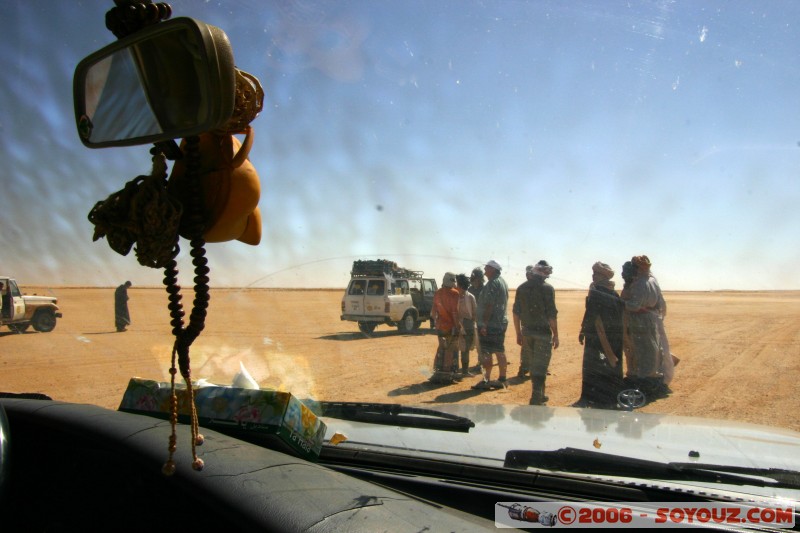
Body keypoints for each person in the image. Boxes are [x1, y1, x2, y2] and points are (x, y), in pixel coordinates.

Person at [574, 262, 624, 409]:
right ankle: (608, 398)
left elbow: (592, 315)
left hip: (599, 338)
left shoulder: (597, 292)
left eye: (596, 273)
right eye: (593, 273)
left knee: (592, 367)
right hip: (611, 337)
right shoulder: (613, 293)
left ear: (603, 276)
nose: (593, 276)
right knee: (608, 366)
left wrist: (584, 330)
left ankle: (589, 398)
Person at [620, 255, 669, 399]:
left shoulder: (640, 283)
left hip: (639, 321)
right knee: (653, 349)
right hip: (652, 319)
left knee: (642, 350)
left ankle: (644, 384)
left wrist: (619, 303)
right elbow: (661, 304)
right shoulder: (653, 280)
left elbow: (634, 305)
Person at [512, 260, 559, 405]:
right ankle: (536, 395)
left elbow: (516, 313)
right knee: (542, 366)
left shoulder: (521, 288)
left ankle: (539, 393)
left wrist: (518, 333)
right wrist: (556, 335)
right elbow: (551, 315)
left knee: (534, 365)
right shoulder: (548, 289)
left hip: (527, 332)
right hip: (543, 334)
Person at [473, 260, 508, 389]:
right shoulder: (502, 281)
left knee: (487, 351)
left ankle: (486, 380)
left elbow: (489, 305)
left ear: (493, 269)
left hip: (491, 323)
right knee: (499, 350)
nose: (485, 270)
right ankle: (502, 379)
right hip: (500, 322)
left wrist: (484, 325)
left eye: (487, 268)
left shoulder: (493, 283)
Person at [430, 272, 460, 383]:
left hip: (440, 326)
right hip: (451, 326)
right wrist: (458, 326)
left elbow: (433, 312)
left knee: (441, 347)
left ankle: (438, 370)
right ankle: (446, 374)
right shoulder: (454, 293)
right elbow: (455, 312)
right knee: (450, 350)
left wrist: (436, 323)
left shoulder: (438, 292)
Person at [455, 273, 478, 377]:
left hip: (467, 325)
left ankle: (464, 371)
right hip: (456, 323)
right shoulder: (455, 296)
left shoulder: (470, 297)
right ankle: (455, 370)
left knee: (465, 349)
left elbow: (474, 313)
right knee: (455, 348)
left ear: (460, 285)